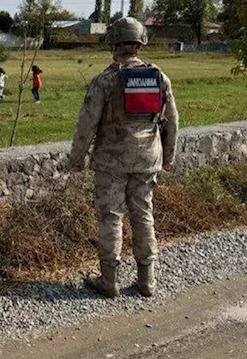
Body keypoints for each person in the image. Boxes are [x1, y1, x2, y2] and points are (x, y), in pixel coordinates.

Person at [68, 17, 179, 299]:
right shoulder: (158, 77)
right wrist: (168, 156)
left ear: (114, 44)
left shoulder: (105, 80)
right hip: (147, 158)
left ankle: (110, 281)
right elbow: (172, 121)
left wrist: (77, 158)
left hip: (111, 160)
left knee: (111, 217)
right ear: (140, 43)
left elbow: (86, 124)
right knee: (143, 214)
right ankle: (147, 281)